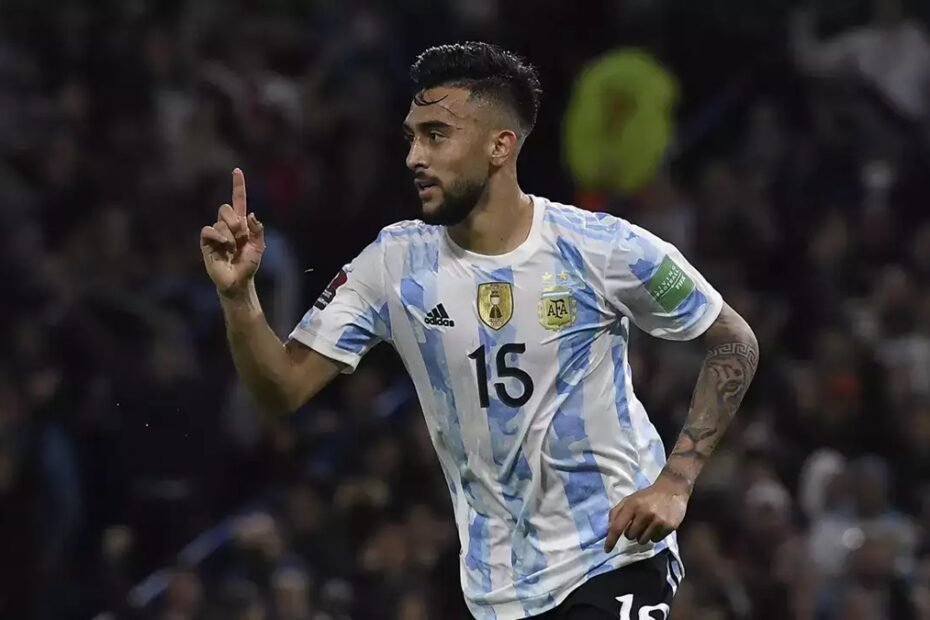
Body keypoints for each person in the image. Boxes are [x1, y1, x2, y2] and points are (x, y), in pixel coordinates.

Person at [199, 42, 759, 620]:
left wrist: (676, 481)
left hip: (614, 557)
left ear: (500, 145)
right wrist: (238, 298)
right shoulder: (393, 264)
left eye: (436, 135)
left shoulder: (600, 247)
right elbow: (281, 389)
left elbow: (733, 340)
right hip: (497, 592)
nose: (415, 156)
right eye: (411, 137)